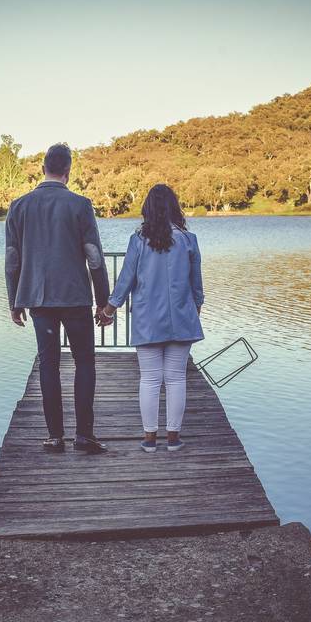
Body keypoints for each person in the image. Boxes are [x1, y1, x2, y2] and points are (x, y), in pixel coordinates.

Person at [5, 143, 111, 453]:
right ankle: (84, 435)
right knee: (84, 363)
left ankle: (54, 437)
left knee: (48, 365)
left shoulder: (19, 206)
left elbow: (12, 258)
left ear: (43, 168)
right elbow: (94, 256)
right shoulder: (80, 205)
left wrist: (15, 301)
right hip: (75, 296)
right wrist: (102, 301)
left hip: (38, 298)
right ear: (68, 170)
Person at [101, 184, 204, 452]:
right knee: (176, 378)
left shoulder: (138, 240)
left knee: (149, 379)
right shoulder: (188, 240)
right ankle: (173, 438)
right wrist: (195, 311)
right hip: (182, 318)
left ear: (147, 208)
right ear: (174, 207)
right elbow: (197, 286)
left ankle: (149, 439)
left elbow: (126, 280)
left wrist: (109, 309)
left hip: (147, 320)